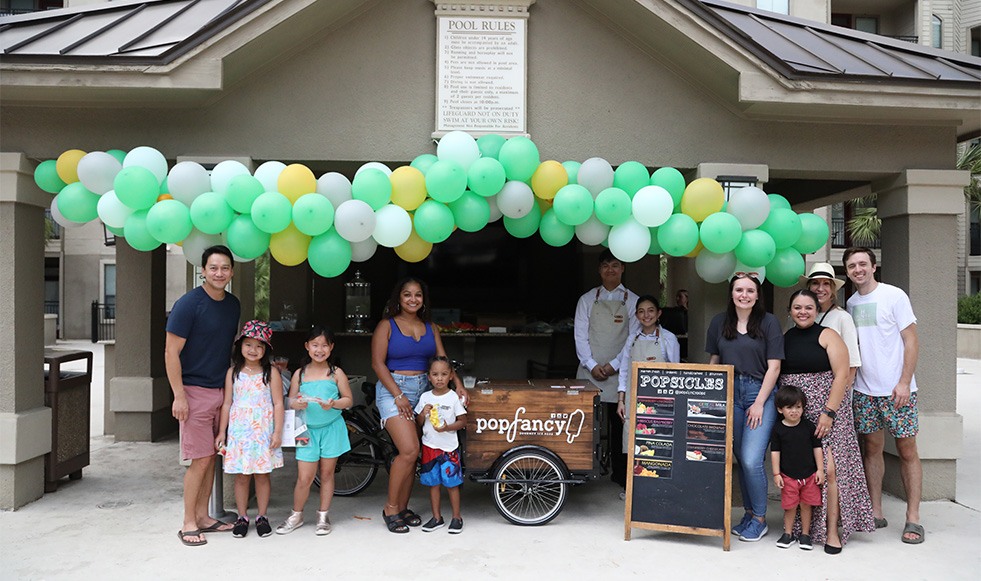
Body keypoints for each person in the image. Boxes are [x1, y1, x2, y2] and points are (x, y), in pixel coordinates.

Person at [780, 289, 875, 553]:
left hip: (828, 411)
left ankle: (832, 530)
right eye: (797, 307)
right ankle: (805, 529)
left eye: (809, 307)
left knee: (830, 470)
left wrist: (829, 412)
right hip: (797, 414)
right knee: (803, 471)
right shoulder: (784, 339)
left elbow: (842, 374)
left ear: (817, 310)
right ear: (790, 311)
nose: (803, 312)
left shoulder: (828, 335)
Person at [371, 277, 467, 533]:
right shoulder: (386, 326)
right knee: (410, 450)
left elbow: (442, 359)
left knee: (416, 453)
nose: (413, 299)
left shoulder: (431, 327)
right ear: (398, 299)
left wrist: (457, 384)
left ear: (423, 299)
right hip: (393, 390)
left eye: (418, 295)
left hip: (425, 391)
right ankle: (390, 508)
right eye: (407, 294)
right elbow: (378, 364)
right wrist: (398, 395)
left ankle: (402, 508)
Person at [844, 247, 924, 544]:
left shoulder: (894, 296)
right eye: (852, 265)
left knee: (907, 451)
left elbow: (911, 340)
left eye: (863, 263)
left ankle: (913, 518)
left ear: (874, 266)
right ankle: (875, 510)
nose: (858, 269)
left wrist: (904, 382)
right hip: (865, 392)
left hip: (897, 391)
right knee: (872, 450)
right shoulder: (851, 303)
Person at [166, 245, 241, 547]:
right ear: (203, 271)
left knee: (211, 458)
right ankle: (187, 523)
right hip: (193, 392)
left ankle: (205, 517)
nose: (219, 273)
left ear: (232, 272)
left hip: (221, 393)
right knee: (199, 460)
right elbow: (171, 352)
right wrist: (178, 396)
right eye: (213, 268)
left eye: (224, 268)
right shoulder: (189, 304)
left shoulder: (233, 304)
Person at [706, 272, 783, 542]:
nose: (744, 295)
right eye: (739, 290)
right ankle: (749, 514)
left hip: (759, 392)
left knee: (752, 459)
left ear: (757, 295)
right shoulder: (719, 322)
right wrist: (709, 393)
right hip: (729, 393)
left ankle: (760, 518)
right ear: (732, 293)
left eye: (750, 291)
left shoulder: (769, 323)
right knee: (741, 458)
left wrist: (760, 402)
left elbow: (775, 367)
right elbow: (714, 361)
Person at [277, 326, 353, 536]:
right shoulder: (300, 374)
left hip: (332, 429)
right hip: (305, 430)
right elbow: (289, 401)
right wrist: (295, 403)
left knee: (327, 474)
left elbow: (348, 400)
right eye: (315, 345)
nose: (320, 350)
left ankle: (323, 515)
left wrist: (334, 403)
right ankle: (297, 515)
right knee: (304, 477)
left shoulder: (336, 372)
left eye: (324, 345)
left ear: (331, 348)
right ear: (307, 347)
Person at [574, 249, 639, 491]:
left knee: (619, 424)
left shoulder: (633, 301)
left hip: (618, 373)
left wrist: (613, 365)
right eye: (605, 265)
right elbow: (580, 336)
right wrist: (591, 364)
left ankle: (620, 475)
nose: (610, 269)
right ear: (599, 270)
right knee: (584, 422)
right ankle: (581, 471)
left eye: (615, 265)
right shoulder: (587, 299)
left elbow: (632, 338)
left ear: (623, 268)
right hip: (589, 371)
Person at [216, 320, 284, 539]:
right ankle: (243, 516)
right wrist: (221, 432)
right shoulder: (233, 373)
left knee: (262, 475)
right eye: (249, 344)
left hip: (263, 431)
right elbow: (227, 403)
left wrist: (277, 432)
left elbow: (278, 403)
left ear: (265, 350)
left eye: (259, 345)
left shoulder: (270, 372)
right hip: (239, 432)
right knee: (242, 477)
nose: (253, 350)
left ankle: (262, 517)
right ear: (240, 346)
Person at [615, 295, 681, 496]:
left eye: (651, 310)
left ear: (659, 313)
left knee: (657, 445)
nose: (646, 315)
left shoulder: (668, 339)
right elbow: (624, 371)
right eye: (641, 311)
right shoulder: (632, 339)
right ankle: (634, 490)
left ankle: (657, 487)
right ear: (636, 315)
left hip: (661, 402)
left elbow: (676, 371)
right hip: (635, 400)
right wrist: (621, 399)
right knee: (633, 445)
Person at [415, 356, 468, 534]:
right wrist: (423, 413)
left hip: (449, 449)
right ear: (428, 376)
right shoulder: (425, 397)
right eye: (435, 374)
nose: (439, 378)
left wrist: (447, 427)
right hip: (429, 447)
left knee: (452, 484)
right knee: (433, 484)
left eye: (444, 374)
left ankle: (456, 517)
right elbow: (419, 422)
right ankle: (437, 517)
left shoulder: (453, 398)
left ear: (451, 376)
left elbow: (463, 421)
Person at [770, 385, 824, 551]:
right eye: (789, 407)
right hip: (788, 476)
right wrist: (776, 473)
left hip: (809, 475)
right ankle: (788, 533)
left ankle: (805, 535)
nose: (794, 411)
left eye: (798, 407)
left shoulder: (808, 426)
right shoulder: (778, 429)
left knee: (807, 505)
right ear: (780, 409)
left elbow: (817, 448)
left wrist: (820, 470)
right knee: (790, 506)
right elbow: (775, 452)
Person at [800, 262, 861, 387]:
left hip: (831, 389)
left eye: (826, 284)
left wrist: (840, 396)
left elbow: (852, 364)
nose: (820, 289)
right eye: (815, 283)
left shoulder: (843, 318)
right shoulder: (800, 316)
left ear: (833, 289)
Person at [660, 289, 689, 360]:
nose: (677, 299)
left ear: (687, 298)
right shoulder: (674, 312)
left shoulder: (691, 312)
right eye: (677, 296)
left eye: (680, 296)